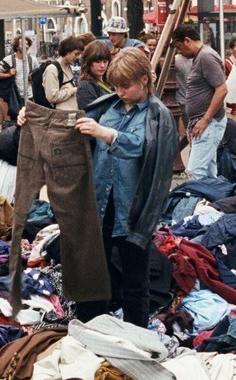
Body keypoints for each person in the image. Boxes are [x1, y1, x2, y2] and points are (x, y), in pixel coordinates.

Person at [74, 48, 178, 326]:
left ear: (144, 79)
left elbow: (143, 147)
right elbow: (73, 129)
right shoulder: (109, 107)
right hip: (101, 204)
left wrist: (106, 133)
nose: (120, 92)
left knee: (136, 281)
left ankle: (135, 336)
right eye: (116, 86)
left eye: (125, 86)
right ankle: (92, 331)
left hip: (134, 209)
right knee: (95, 276)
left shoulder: (158, 115)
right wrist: (29, 118)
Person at [171, 24, 228, 180]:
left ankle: (196, 197)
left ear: (187, 41)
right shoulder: (201, 56)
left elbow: (222, 89)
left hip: (208, 123)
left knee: (195, 172)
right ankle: (212, 196)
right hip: (204, 123)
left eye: (179, 47)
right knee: (209, 173)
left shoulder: (205, 57)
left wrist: (205, 120)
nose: (179, 52)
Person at [0, 35, 40, 116]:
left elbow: (38, 75)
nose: (26, 46)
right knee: (16, 119)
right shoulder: (9, 59)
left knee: (30, 119)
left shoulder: (32, 60)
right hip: (15, 97)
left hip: (30, 96)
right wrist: (9, 74)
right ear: (17, 46)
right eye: (23, 44)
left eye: (27, 44)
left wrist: (33, 76)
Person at [43, 36, 83, 110]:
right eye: (76, 54)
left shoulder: (68, 66)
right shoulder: (52, 69)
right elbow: (52, 96)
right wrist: (73, 90)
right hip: (61, 114)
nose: (77, 57)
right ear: (68, 51)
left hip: (72, 112)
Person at [77, 40, 112, 109]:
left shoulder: (110, 81)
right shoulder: (86, 85)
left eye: (105, 61)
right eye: (98, 62)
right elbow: (91, 112)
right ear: (88, 62)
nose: (102, 65)